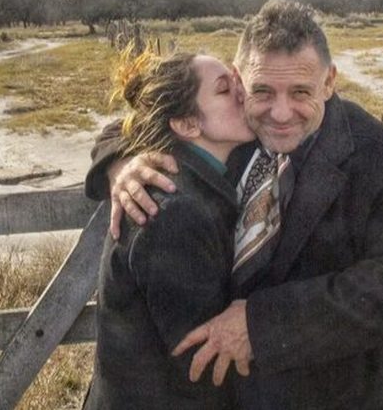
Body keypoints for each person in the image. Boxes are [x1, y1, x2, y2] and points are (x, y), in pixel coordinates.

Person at [86, 0, 383, 410]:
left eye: (301, 92)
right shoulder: (238, 130)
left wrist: (260, 326)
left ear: (329, 82)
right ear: (239, 82)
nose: (280, 112)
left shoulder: (382, 156)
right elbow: (142, 116)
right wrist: (124, 163)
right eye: (262, 91)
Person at [83, 47, 256, 409]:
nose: (243, 93)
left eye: (238, 81)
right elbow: (203, 359)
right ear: (188, 125)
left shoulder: (196, 170)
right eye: (225, 89)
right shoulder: (175, 212)